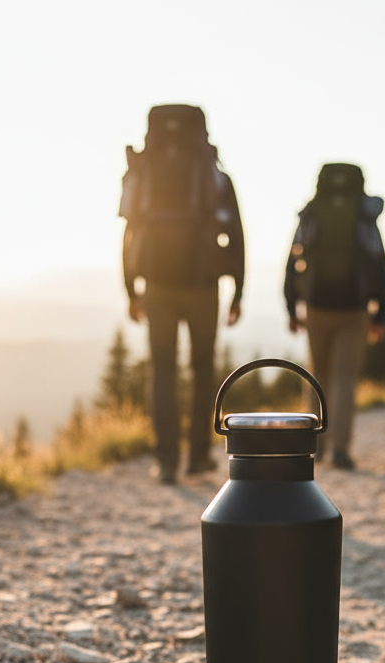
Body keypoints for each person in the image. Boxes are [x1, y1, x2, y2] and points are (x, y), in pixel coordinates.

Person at [119, 104, 245, 483]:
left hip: (156, 283)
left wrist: (131, 288)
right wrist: (238, 290)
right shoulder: (213, 173)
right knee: (203, 368)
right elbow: (236, 233)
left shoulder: (143, 171)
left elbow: (130, 232)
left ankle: (167, 461)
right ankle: (199, 456)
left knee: (162, 370)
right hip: (204, 283)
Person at [284, 163, 385, 470]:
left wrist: (292, 306)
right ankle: (341, 450)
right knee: (345, 378)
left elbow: (292, 260)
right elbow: (380, 262)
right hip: (355, 307)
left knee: (317, 375)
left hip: (317, 304)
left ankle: (314, 445)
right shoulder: (364, 216)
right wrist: (381, 313)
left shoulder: (312, 212)